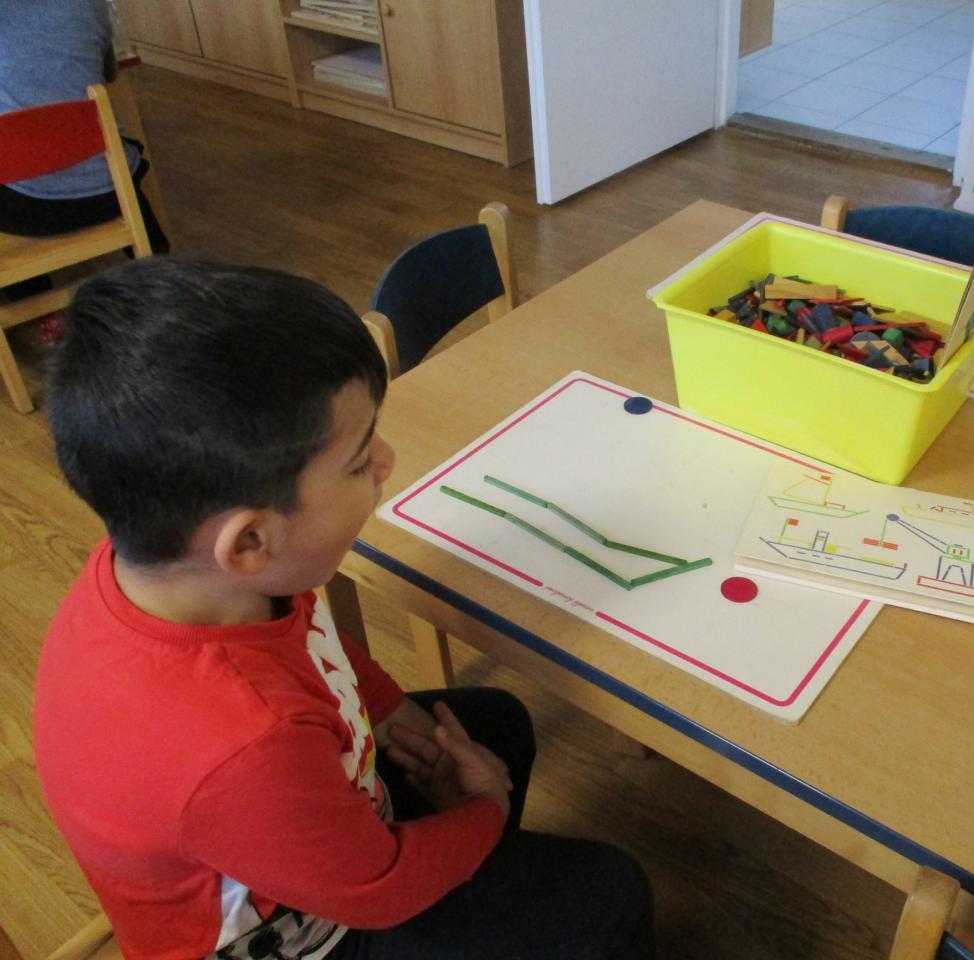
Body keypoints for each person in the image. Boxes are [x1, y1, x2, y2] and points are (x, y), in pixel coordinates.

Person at [33, 258, 653, 960]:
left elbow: (315, 647)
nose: (386, 461)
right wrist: (484, 812)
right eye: (359, 462)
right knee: (611, 893)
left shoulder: (197, 574)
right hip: (303, 938)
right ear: (250, 542)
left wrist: (394, 717)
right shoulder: (243, 744)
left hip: (307, 821)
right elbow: (378, 887)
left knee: (496, 724)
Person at [0, 0, 170, 253]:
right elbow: (109, 73)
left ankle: (22, 278)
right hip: (113, 190)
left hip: (23, 209)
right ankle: (152, 252)